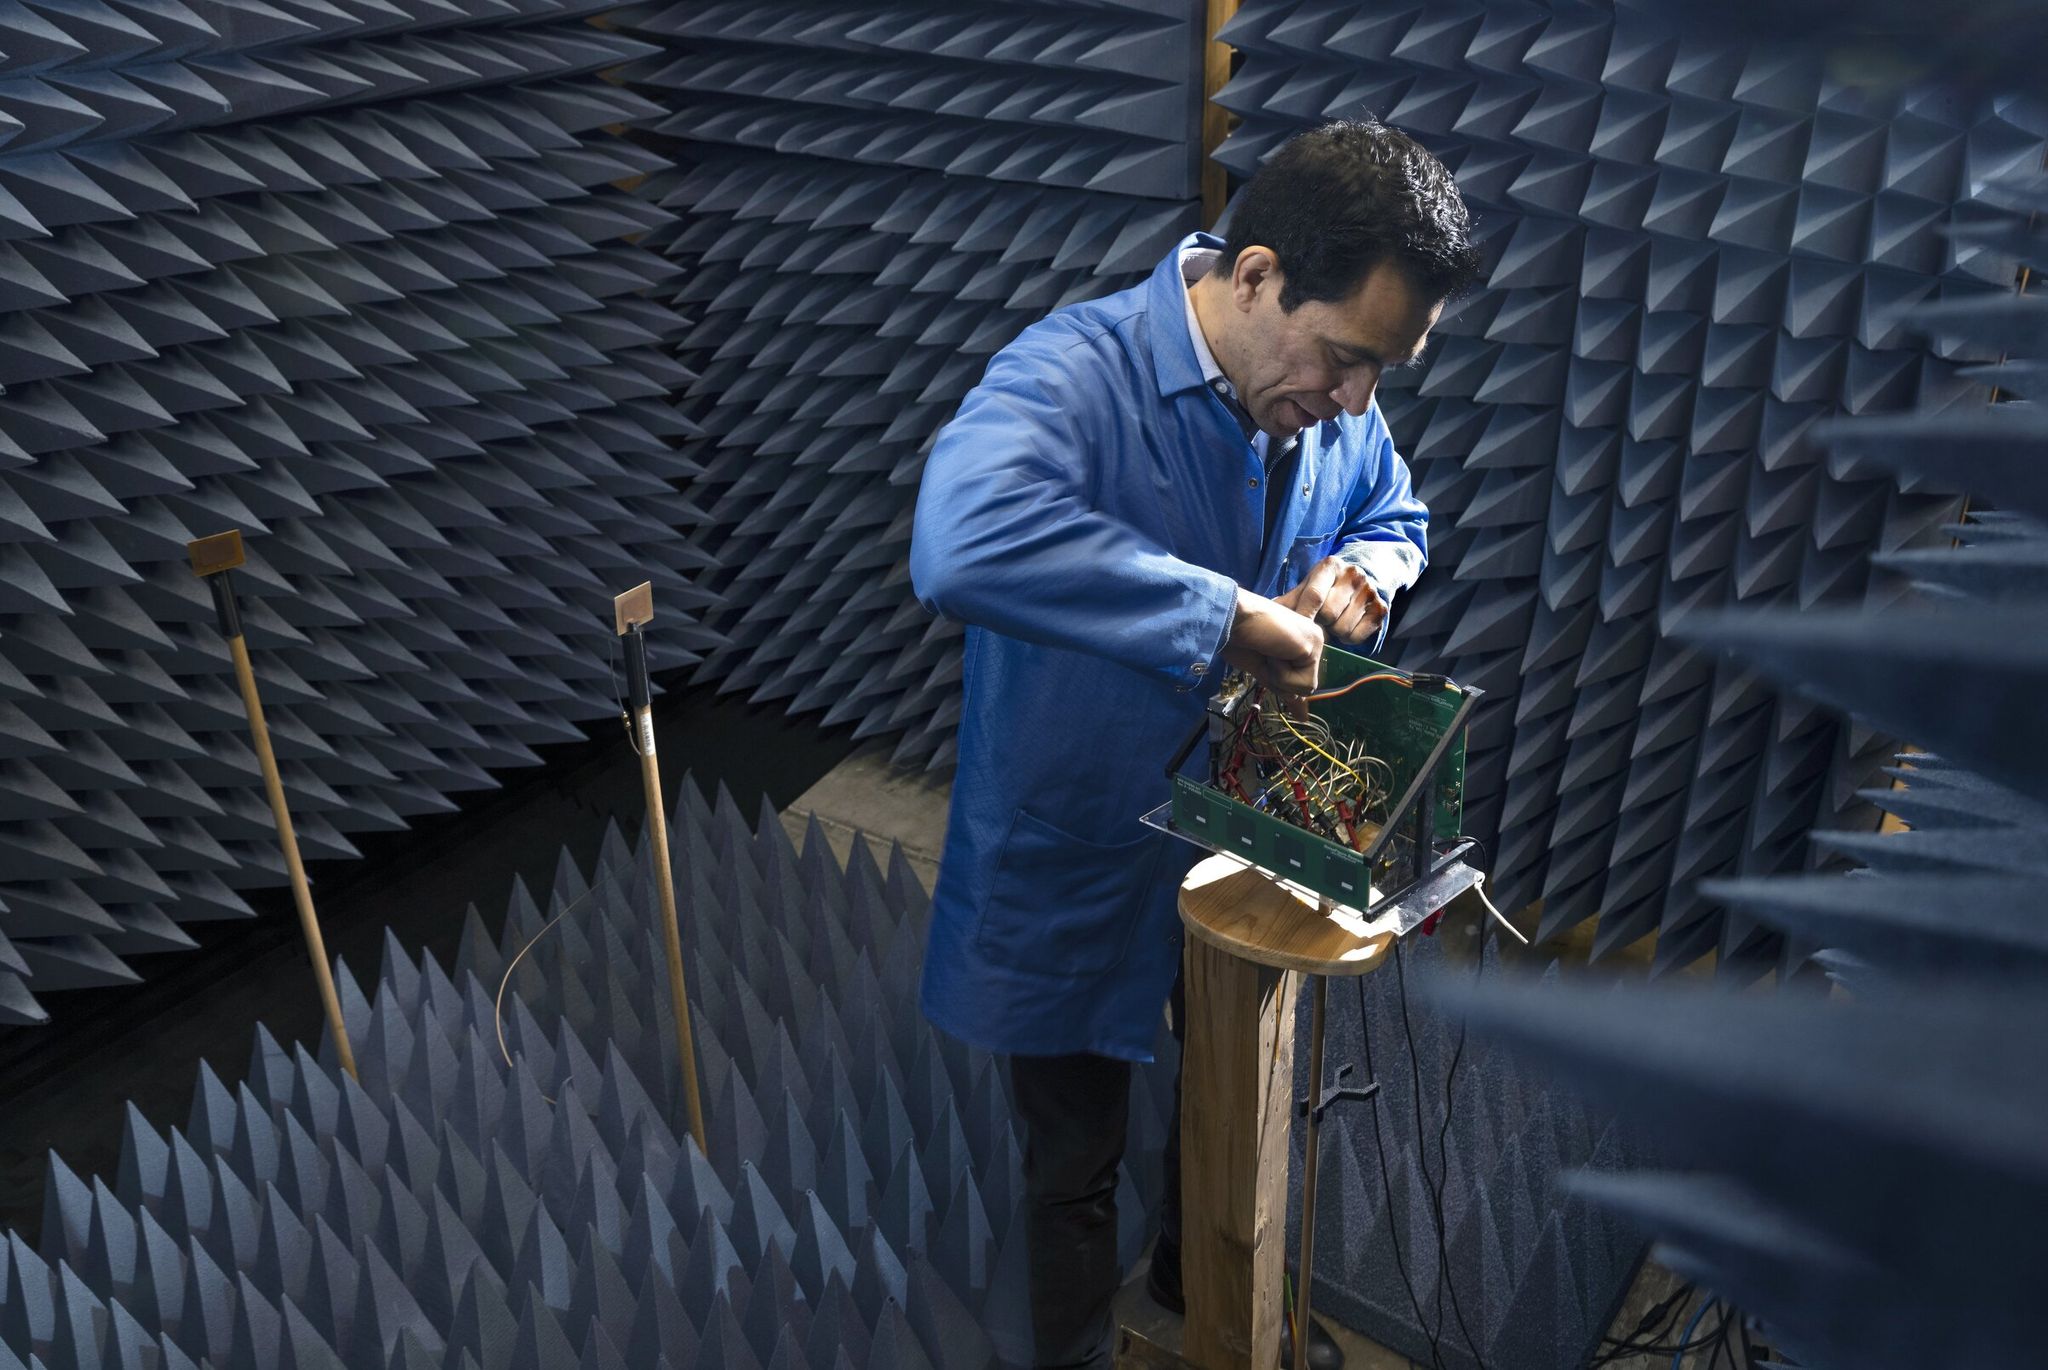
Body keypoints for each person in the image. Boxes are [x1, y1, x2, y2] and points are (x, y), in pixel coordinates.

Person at [910, 118, 1480, 1369]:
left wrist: (1365, 574)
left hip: (1235, 832)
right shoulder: (1074, 374)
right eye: (1345, 360)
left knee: (1225, 1092)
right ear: (1257, 274)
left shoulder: (1328, 401)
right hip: (1075, 836)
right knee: (1071, 1158)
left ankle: (1195, 1275)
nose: (1355, 401)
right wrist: (1226, 619)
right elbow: (959, 539)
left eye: (1381, 372)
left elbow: (1396, 510)